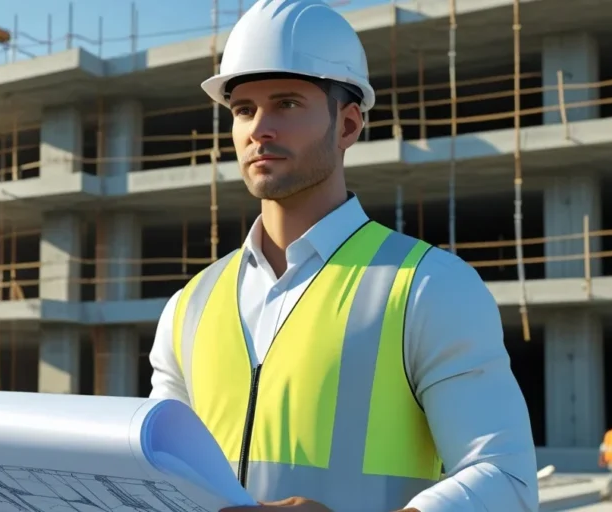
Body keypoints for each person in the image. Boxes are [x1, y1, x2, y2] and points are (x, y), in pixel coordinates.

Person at [149, 1, 538, 511]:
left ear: (349, 125)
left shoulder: (427, 286)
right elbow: (159, 478)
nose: (258, 128)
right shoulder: (189, 306)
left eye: (286, 104)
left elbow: (507, 481)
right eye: (243, 109)